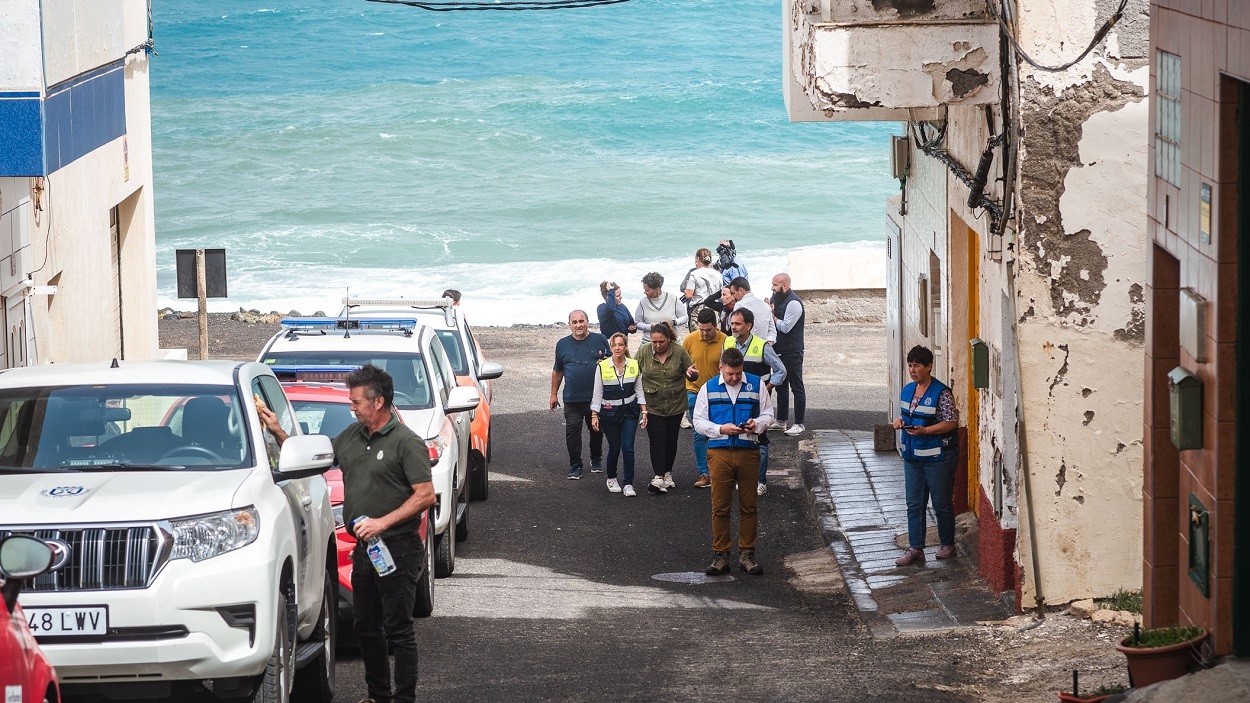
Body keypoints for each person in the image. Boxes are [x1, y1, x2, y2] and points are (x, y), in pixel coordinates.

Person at [259, 364, 433, 703]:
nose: (351, 407)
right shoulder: (352, 437)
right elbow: (312, 456)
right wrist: (279, 431)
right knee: (366, 626)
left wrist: (383, 523)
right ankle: (378, 696)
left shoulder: (406, 442)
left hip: (398, 546)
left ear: (378, 401)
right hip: (366, 549)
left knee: (398, 629)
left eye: (356, 402)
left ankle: (404, 699)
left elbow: (425, 495)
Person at [693, 347, 773, 576]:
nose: (734, 378)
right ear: (721, 368)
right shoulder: (707, 388)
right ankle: (721, 555)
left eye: (738, 373)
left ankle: (747, 554)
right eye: (730, 374)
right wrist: (720, 429)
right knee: (720, 507)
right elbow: (698, 420)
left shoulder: (757, 384)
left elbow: (768, 414)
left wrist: (756, 425)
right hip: (719, 453)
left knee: (749, 506)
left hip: (749, 451)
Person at [892, 345, 960, 566]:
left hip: (937, 458)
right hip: (912, 457)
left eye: (917, 365)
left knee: (941, 503)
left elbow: (950, 423)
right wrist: (900, 423)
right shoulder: (907, 390)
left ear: (929, 366)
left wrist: (925, 431)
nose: (912, 370)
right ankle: (915, 548)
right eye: (910, 365)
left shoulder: (942, 393)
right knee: (914, 504)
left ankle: (947, 544)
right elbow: (906, 416)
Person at [725, 308, 785, 496]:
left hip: (757, 399)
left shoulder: (762, 346)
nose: (732, 327)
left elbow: (780, 370)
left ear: (748, 326)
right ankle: (741, 478)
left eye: (737, 324)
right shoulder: (728, 342)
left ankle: (760, 481)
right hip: (734, 397)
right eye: (732, 323)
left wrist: (767, 389)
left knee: (760, 438)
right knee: (737, 435)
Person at [635, 321, 695, 494]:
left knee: (671, 440)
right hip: (652, 405)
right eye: (654, 342)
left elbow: (691, 373)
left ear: (668, 339)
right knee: (657, 440)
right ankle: (659, 476)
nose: (657, 345)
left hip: (675, 404)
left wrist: (692, 374)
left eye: (661, 341)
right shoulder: (644, 352)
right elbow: (632, 372)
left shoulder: (679, 351)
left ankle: (667, 473)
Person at [551, 310, 611, 479]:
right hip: (572, 398)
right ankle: (575, 464)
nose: (578, 325)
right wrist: (553, 394)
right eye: (575, 322)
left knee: (597, 430)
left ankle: (596, 458)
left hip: (596, 397)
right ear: (569, 324)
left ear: (588, 322)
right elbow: (557, 371)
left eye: (581, 321)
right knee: (572, 432)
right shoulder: (562, 344)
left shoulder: (600, 340)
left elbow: (612, 363)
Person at [590, 333, 647, 497]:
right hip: (609, 414)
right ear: (610, 347)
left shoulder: (634, 365)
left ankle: (628, 483)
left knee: (628, 448)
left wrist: (644, 411)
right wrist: (595, 415)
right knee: (614, 448)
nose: (617, 348)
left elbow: (639, 390)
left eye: (620, 344)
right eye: (614, 345)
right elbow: (597, 393)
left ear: (626, 346)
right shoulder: (602, 367)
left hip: (630, 412)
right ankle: (612, 478)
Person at [681, 308, 727, 489]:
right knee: (699, 433)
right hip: (694, 392)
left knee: (719, 432)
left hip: (718, 393)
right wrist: (686, 371)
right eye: (701, 329)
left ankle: (720, 471)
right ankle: (704, 473)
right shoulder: (690, 340)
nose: (704, 333)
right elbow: (680, 364)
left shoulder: (725, 341)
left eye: (708, 330)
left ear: (716, 326)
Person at [770, 273, 806, 436]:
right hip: (779, 350)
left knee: (796, 387)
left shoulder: (793, 303)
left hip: (792, 351)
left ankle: (799, 423)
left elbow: (785, 327)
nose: (772, 288)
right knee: (780, 386)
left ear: (784, 286)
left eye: (775, 285)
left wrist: (773, 317)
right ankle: (781, 421)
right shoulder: (776, 299)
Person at [681, 248, 722, 332]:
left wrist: (686, 289)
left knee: (698, 337)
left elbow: (689, 295)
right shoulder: (718, 274)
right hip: (714, 308)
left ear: (698, 259)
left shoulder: (694, 274)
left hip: (698, 309)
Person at [727, 276, 776, 344]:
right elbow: (772, 331)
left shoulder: (740, 305)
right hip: (763, 347)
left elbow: (736, 330)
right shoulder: (765, 306)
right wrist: (768, 344)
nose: (733, 297)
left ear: (741, 290)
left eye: (733, 293)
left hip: (746, 347)